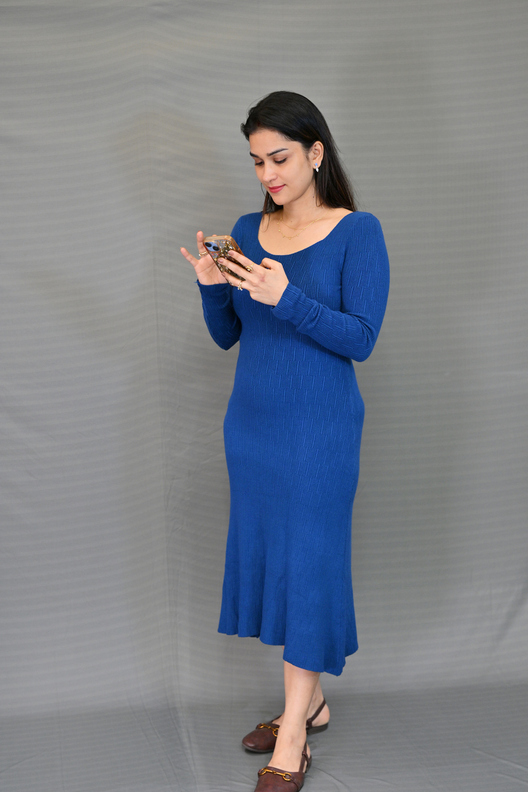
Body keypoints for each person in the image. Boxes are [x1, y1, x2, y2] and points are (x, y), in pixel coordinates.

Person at [180, 91, 389, 791]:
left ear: (316, 153)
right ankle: (312, 703)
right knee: (283, 564)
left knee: (309, 567)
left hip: (319, 432)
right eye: (256, 162)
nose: (267, 174)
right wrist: (213, 286)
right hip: (253, 428)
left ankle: (294, 731)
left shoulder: (358, 232)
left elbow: (361, 338)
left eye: (280, 158)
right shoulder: (248, 229)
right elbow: (230, 336)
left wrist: (287, 296)